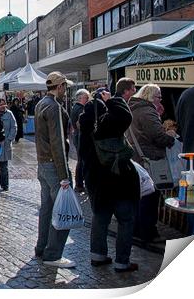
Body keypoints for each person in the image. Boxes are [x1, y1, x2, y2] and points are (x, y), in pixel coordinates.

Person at [80, 86, 140, 273]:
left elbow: (83, 158)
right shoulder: (107, 125)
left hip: (97, 183)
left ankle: (97, 255)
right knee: (125, 220)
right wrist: (111, 100)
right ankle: (122, 262)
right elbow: (125, 115)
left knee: (100, 217)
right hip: (119, 181)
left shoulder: (84, 130)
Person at [34, 71, 74, 268]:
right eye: (65, 87)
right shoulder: (54, 107)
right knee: (62, 211)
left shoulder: (41, 104)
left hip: (43, 163)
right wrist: (64, 175)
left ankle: (42, 248)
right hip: (54, 164)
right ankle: (53, 254)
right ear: (60, 87)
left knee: (47, 210)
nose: (65, 91)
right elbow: (57, 142)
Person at [128, 83, 175, 243]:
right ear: (150, 96)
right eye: (158, 96)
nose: (160, 99)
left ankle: (136, 229)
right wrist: (170, 136)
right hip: (149, 158)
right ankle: (148, 232)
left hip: (136, 158)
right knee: (150, 196)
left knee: (139, 196)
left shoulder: (133, 108)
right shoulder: (147, 111)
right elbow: (158, 136)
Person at [0, 98, 17, 191]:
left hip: (5, 144)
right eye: (1, 105)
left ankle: (4, 185)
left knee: (4, 167)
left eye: (4, 104)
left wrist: (9, 139)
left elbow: (14, 127)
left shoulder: (9, 114)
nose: (3, 106)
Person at [70, 89, 90, 193]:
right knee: (81, 160)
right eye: (86, 97)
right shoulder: (80, 108)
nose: (87, 99)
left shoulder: (75, 107)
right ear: (81, 98)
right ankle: (79, 184)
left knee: (80, 160)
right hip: (80, 136)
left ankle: (79, 183)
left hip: (77, 136)